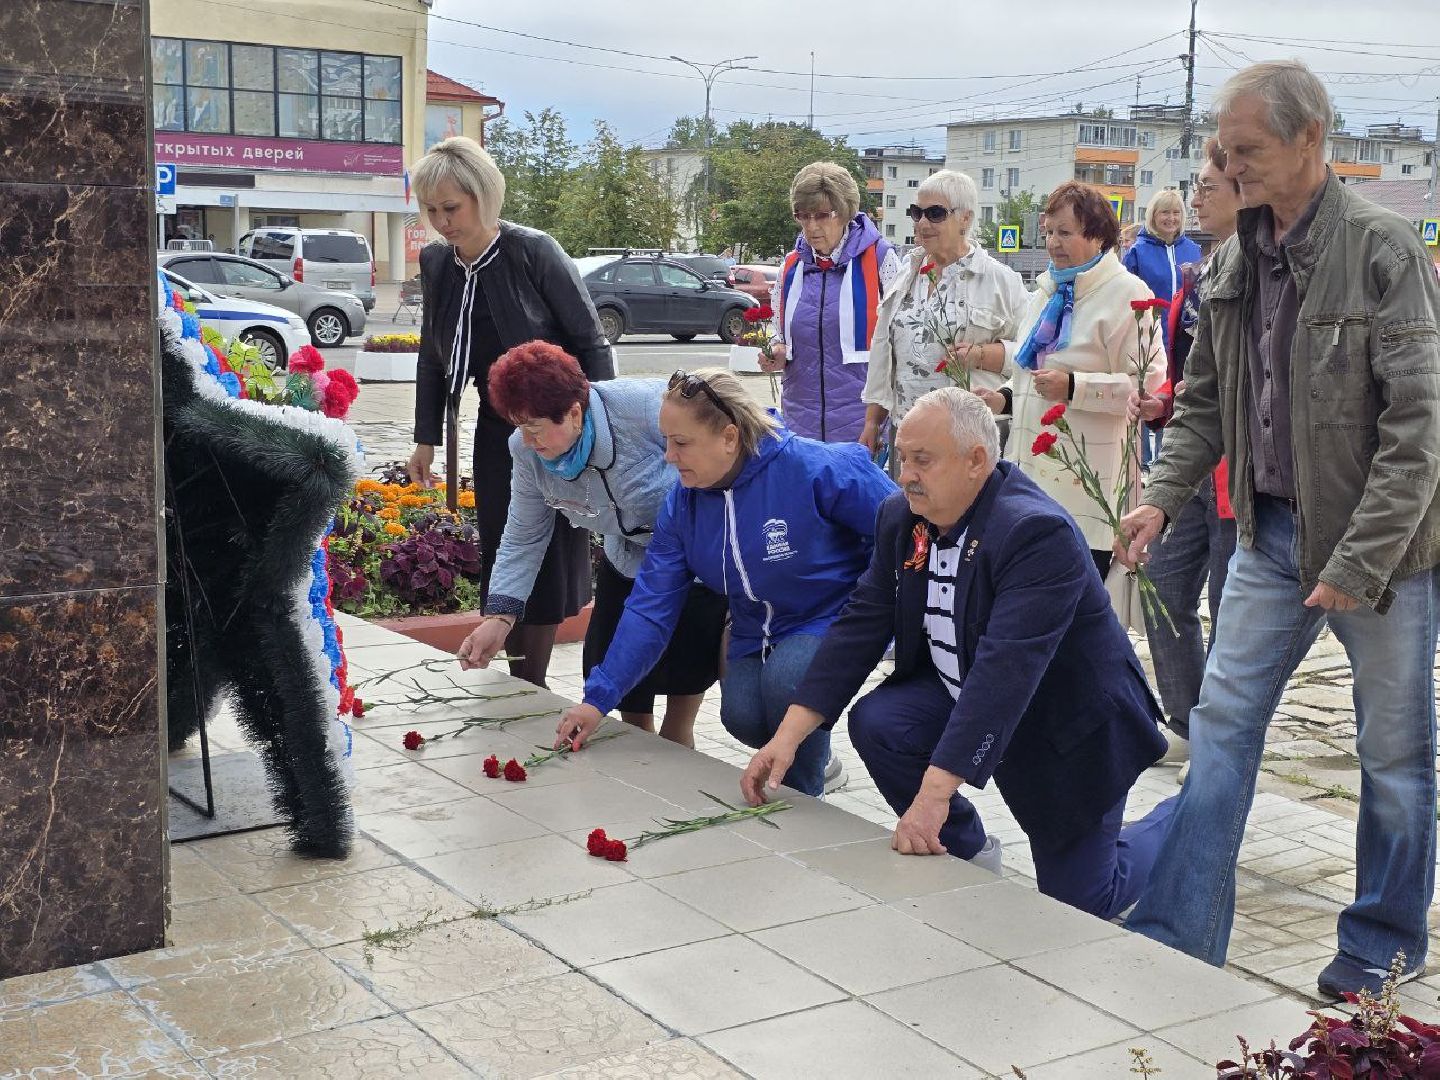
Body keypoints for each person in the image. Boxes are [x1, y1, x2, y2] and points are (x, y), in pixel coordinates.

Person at [1118, 61, 1440, 999]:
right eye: (1222, 148)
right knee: (1222, 728)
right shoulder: (1230, 258)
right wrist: (1163, 496)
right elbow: (1204, 404)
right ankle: (1181, 929)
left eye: (1244, 149)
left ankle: (1380, 940)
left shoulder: (1385, 253)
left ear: (1311, 140)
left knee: (1392, 751)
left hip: (1387, 556)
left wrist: (1359, 562)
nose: (1227, 164)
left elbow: (1419, 435)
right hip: (1264, 538)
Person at [740, 388, 1173, 916]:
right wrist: (786, 739)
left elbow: (1005, 672)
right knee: (882, 722)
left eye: (922, 460)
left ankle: (1187, 818)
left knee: (1081, 902)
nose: (905, 475)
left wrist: (933, 796)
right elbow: (862, 623)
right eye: (903, 458)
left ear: (976, 461)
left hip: (1067, 722)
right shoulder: (901, 517)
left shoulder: (1035, 532)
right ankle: (966, 852)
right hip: (964, 689)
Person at [555, 368, 897, 797]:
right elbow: (650, 605)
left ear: (730, 438)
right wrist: (597, 699)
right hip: (756, 625)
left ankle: (801, 800)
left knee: (786, 684)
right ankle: (807, 745)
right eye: (666, 442)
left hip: (828, 616)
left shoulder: (814, 468)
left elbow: (902, 528)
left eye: (681, 443)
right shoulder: (683, 502)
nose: (668, 456)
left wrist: (878, 604)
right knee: (742, 716)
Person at [406, 136, 613, 688]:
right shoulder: (436, 263)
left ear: (483, 197)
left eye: (452, 207)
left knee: (548, 555)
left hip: (557, 427)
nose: (442, 221)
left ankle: (533, 682)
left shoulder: (532, 251)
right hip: (497, 429)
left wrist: (595, 428)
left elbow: (592, 344)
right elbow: (433, 355)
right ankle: (520, 678)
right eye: (431, 210)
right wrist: (426, 436)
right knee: (505, 547)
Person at [454, 342, 728, 747]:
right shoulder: (526, 452)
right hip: (625, 560)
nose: (527, 441)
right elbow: (524, 533)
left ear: (575, 412)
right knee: (621, 690)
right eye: (518, 427)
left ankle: (678, 760)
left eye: (534, 428)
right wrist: (501, 617)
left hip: (693, 562)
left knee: (680, 689)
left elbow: (723, 455)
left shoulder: (646, 410)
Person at [978, 181, 1165, 578]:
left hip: (1087, 485)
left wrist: (1076, 387)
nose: (1052, 243)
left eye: (1065, 233)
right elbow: (1031, 371)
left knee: (1078, 606)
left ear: (1097, 236)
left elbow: (1149, 383)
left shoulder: (1128, 293)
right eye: (1048, 232)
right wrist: (1005, 398)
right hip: (1029, 479)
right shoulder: (1047, 290)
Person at [1128, 138, 1243, 770]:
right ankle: (1188, 720)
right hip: (1190, 468)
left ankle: (1225, 739)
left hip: (1240, 480)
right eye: (1194, 187)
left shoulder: (1264, 275)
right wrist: (1163, 403)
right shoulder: (1202, 275)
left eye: (1206, 187)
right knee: (1161, 589)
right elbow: (1196, 373)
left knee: (1234, 617)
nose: (1194, 198)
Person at [861, 169, 1028, 464]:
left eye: (935, 213)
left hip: (967, 439)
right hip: (909, 434)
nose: (923, 223)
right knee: (911, 509)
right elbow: (884, 355)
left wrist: (982, 354)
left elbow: (1032, 358)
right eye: (917, 213)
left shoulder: (1001, 281)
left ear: (965, 218)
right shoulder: (906, 274)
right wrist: (873, 422)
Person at [762, 162, 902, 443]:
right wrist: (776, 351)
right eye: (802, 216)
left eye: (822, 215)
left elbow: (902, 340)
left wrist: (877, 425)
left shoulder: (881, 260)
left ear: (845, 212)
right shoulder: (791, 267)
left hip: (863, 426)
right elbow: (781, 334)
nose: (811, 226)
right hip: (801, 425)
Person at [1124, 188, 1203, 468]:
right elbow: (1126, 297)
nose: (1171, 218)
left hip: (1183, 342)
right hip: (1147, 339)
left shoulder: (1193, 251)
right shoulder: (1138, 253)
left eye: (1176, 212)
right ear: (1153, 216)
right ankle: (1142, 461)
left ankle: (1168, 459)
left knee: (1176, 398)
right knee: (1148, 396)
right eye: (1164, 212)